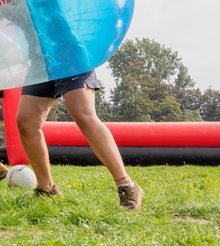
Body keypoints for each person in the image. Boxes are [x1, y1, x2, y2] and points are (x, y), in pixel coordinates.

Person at [16, 70, 143, 210]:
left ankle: (126, 184)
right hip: (41, 62)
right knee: (26, 122)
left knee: (83, 115)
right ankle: (47, 190)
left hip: (72, 57)